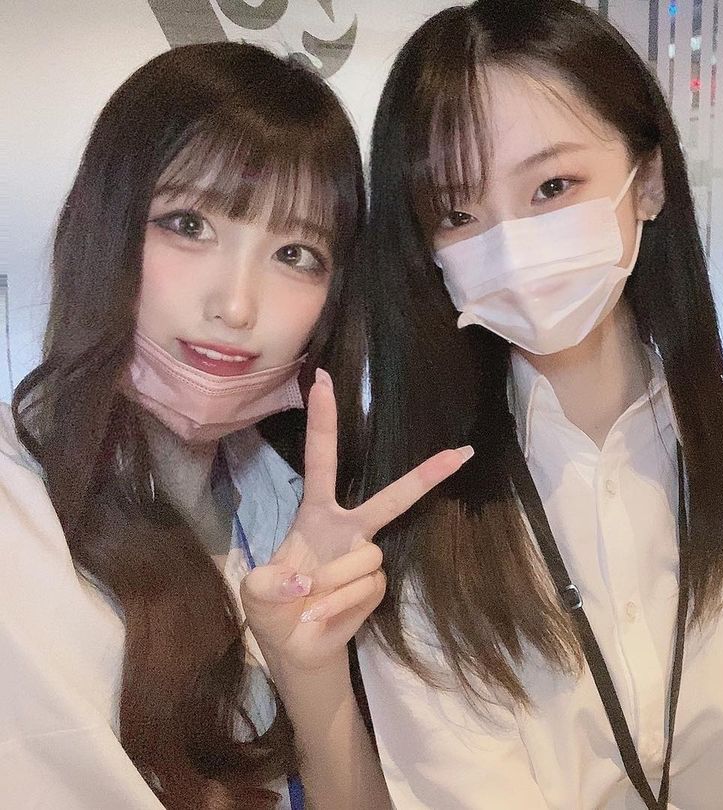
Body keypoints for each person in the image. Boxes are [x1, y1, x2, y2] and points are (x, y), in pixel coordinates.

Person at [353, 1, 723, 806]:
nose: (512, 244)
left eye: (552, 186)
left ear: (648, 182)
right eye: (458, 214)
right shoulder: (412, 507)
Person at [0, 42, 467, 809]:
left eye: (295, 253)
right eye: (188, 224)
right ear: (103, 226)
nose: (237, 305)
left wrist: (312, 667)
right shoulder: (17, 502)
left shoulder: (299, 514)